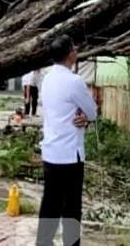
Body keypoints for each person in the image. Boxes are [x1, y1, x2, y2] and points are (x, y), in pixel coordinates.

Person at [36, 35, 98, 246]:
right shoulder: (74, 81)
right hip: (70, 153)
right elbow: (92, 111)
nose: (76, 49)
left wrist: (83, 117)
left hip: (51, 150)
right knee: (71, 206)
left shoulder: (47, 78)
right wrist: (86, 117)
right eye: (74, 47)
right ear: (69, 54)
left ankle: (43, 241)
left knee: (50, 202)